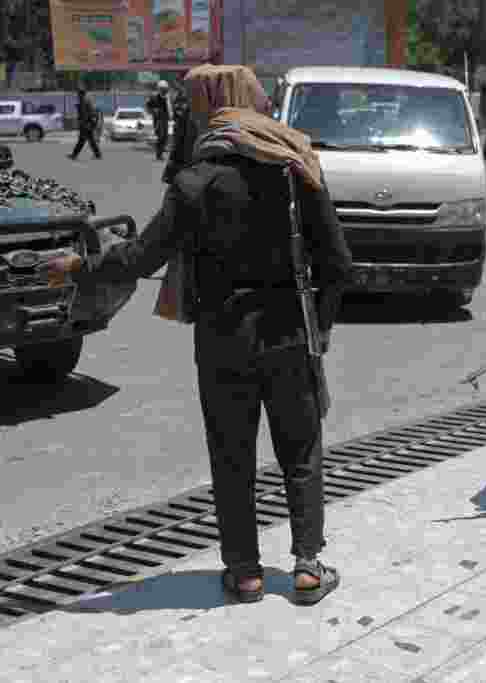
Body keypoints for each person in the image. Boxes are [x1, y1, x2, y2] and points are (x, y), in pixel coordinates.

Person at [47, 64, 352, 605]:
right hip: (289, 334)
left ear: (210, 109)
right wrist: (320, 327)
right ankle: (307, 567)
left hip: (222, 339)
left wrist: (76, 268)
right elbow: (338, 262)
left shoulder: (195, 180)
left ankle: (245, 573)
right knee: (300, 449)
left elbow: (140, 258)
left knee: (231, 454)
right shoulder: (296, 166)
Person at [68, 86, 102, 161]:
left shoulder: (84, 101)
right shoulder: (86, 100)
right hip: (88, 124)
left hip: (86, 124)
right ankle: (98, 155)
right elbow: (89, 112)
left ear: (80, 94)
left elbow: (85, 114)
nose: (77, 95)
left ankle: (74, 155)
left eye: (78, 94)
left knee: (82, 141)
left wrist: (83, 123)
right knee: (90, 140)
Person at [146, 80, 173, 161]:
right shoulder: (154, 97)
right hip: (158, 120)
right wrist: (154, 111)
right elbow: (148, 107)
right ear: (159, 89)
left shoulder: (168, 98)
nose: (164, 90)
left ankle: (160, 153)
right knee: (161, 136)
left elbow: (171, 109)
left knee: (164, 137)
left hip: (165, 120)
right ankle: (159, 154)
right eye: (162, 88)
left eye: (165, 88)